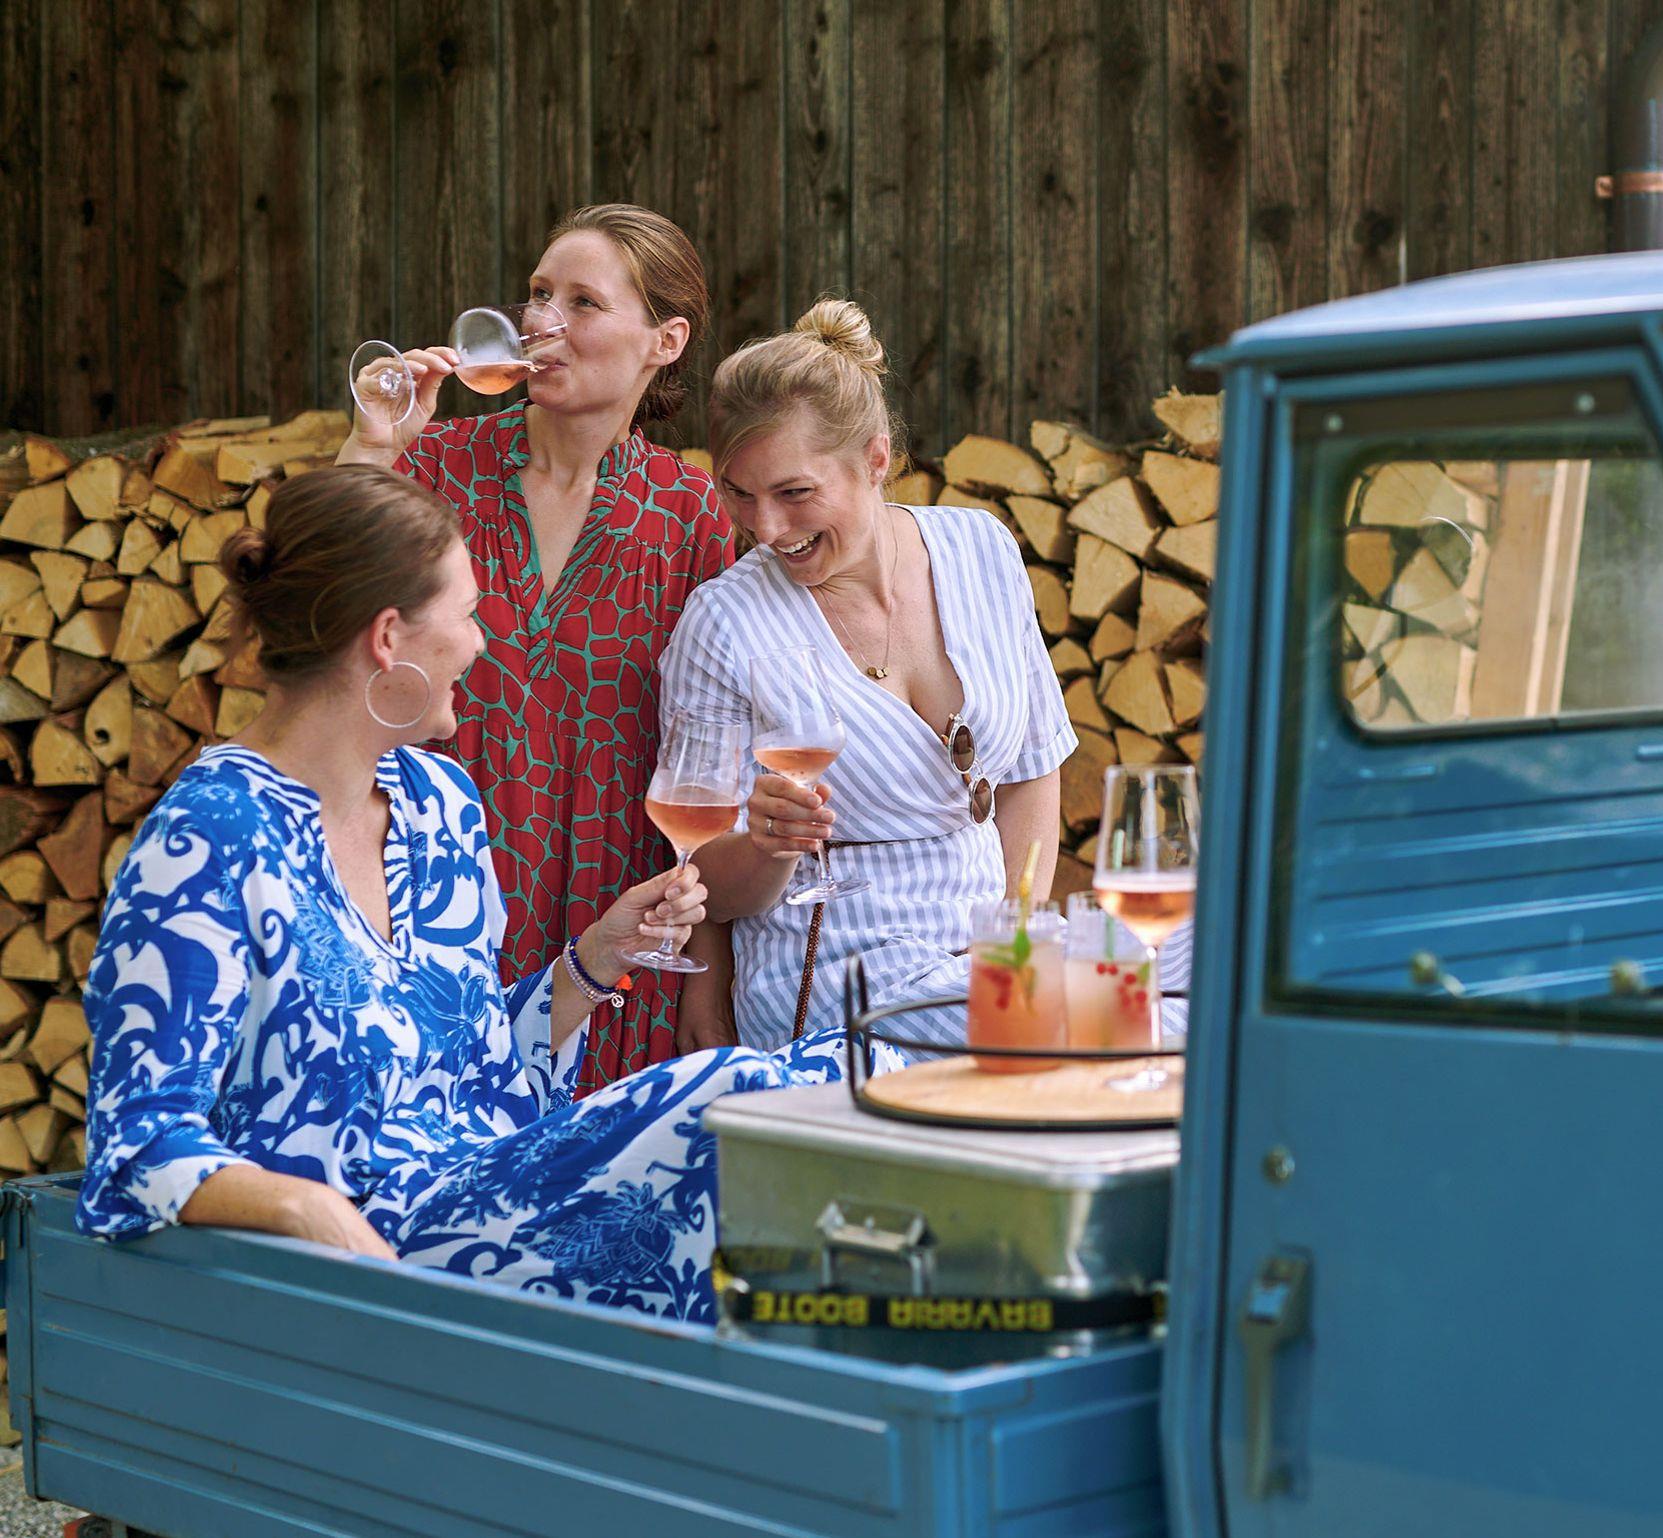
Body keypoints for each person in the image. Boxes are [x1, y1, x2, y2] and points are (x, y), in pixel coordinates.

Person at [78, 466, 877, 1323]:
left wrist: (595, 959)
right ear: (388, 638)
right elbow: (137, 1142)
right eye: (465, 615)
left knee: (844, 1072)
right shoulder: (208, 837)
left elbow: (483, 1069)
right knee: (727, 1103)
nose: (481, 643)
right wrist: (306, 1208)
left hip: (495, 1202)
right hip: (361, 1258)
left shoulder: (438, 804)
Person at [337, 203, 735, 1090]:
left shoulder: (689, 515)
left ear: (664, 341)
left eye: (582, 302)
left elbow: (711, 756)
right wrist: (371, 449)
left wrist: (706, 972)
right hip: (434, 904)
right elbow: (320, 611)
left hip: (619, 925)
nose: (541, 320)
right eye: (538, 293)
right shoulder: (436, 467)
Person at [662, 300, 1076, 1048]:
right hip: (835, 971)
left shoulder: (983, 548)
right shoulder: (723, 621)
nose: (766, 528)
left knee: (1170, 1004)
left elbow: (1032, 774)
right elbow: (705, 878)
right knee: (1079, 1036)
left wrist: (1013, 948)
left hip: (983, 961)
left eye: (794, 493)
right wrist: (765, 847)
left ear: (876, 459)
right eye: (739, 493)